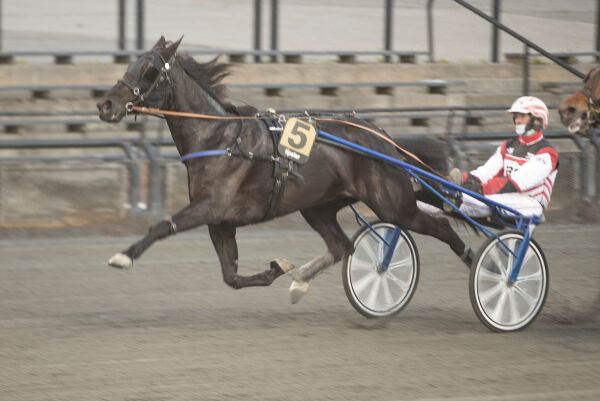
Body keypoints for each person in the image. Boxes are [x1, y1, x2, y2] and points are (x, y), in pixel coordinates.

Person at [449, 96, 559, 219]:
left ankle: (455, 202)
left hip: (530, 203)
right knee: (460, 196)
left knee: (476, 199)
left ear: (538, 120)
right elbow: (486, 172)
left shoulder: (547, 153)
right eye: (516, 116)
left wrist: (480, 189)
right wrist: (465, 179)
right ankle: (447, 201)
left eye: (522, 116)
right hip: (507, 196)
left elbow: (517, 183)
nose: (517, 120)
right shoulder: (508, 145)